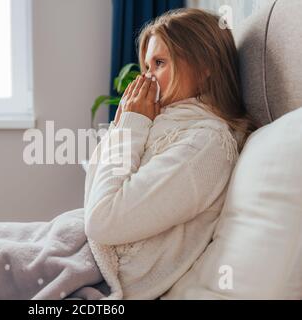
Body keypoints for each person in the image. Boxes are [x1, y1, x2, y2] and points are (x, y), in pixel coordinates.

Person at [84, 8, 258, 300]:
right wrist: (123, 125)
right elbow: (94, 187)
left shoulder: (206, 144)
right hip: (79, 252)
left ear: (205, 66)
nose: (148, 79)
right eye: (147, 67)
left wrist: (130, 127)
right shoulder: (169, 123)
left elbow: (102, 220)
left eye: (160, 63)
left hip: (97, 273)